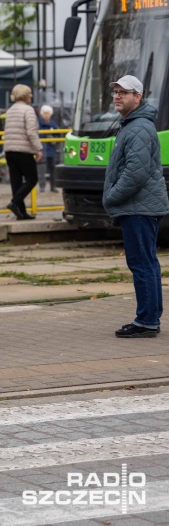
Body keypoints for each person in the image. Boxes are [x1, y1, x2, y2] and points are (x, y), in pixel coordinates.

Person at [102, 75, 169, 338]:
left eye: (124, 92)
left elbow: (135, 173)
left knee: (142, 264)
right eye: (115, 92)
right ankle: (151, 317)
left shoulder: (139, 127)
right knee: (147, 263)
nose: (117, 96)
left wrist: (111, 197)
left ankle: (146, 321)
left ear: (137, 97)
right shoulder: (133, 124)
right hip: (139, 207)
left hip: (138, 208)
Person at [3, 84, 43, 220]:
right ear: (25, 95)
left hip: (9, 150)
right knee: (32, 179)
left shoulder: (10, 110)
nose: (31, 96)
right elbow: (31, 132)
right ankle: (14, 203)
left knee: (16, 182)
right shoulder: (28, 110)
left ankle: (21, 212)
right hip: (24, 150)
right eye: (30, 93)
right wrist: (38, 148)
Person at [38, 105, 59, 192]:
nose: (46, 115)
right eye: (45, 113)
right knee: (41, 169)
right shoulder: (38, 124)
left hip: (51, 149)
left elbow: (57, 134)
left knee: (52, 169)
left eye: (48, 113)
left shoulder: (53, 124)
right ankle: (42, 187)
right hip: (42, 149)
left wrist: (55, 140)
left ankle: (53, 186)